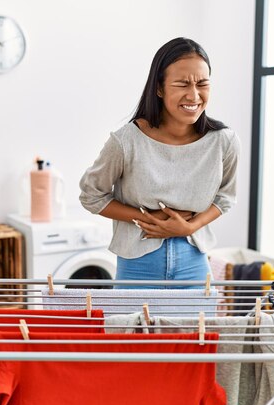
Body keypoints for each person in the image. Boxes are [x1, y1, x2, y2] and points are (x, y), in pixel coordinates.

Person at [79, 37, 240, 288]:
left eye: (202, 83)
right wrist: (148, 218)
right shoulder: (126, 141)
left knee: (196, 329)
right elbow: (91, 195)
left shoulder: (224, 141)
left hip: (194, 262)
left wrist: (189, 227)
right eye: (182, 84)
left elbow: (225, 197)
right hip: (137, 263)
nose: (194, 94)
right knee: (131, 328)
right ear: (159, 88)